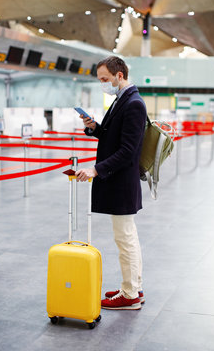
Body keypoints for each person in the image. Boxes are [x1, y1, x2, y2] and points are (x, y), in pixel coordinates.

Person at [75, 56, 147, 310]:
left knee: (125, 239)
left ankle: (130, 296)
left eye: (105, 79)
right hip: (120, 182)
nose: (103, 84)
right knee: (128, 238)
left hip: (122, 183)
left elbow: (128, 150)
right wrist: (95, 128)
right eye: (100, 80)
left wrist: (96, 169)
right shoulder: (123, 99)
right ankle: (133, 286)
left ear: (120, 74)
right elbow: (113, 137)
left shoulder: (134, 104)